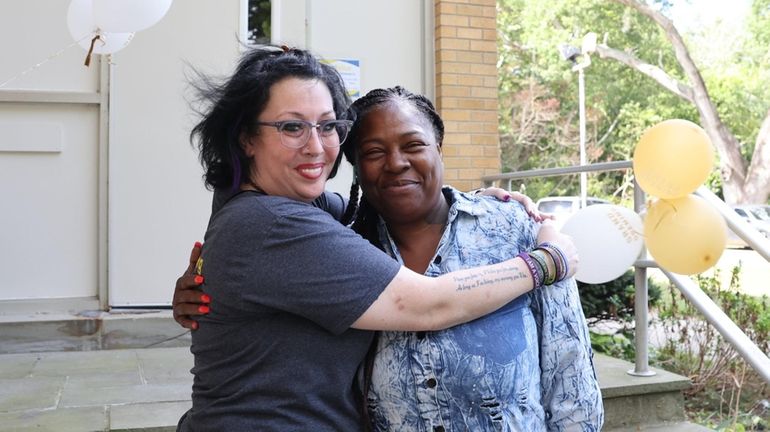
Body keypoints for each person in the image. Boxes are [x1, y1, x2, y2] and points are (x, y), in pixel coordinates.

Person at [174, 45, 577, 432]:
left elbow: (386, 196)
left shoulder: (288, 205)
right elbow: (428, 304)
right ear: (246, 138)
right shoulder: (271, 223)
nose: (315, 146)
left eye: (328, 125)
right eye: (291, 127)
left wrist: (469, 201)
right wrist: (548, 261)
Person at [338, 86, 603, 431]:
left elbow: (571, 378)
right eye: (373, 152)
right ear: (357, 167)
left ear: (439, 149)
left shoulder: (515, 232)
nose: (396, 162)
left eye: (413, 145)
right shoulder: (347, 253)